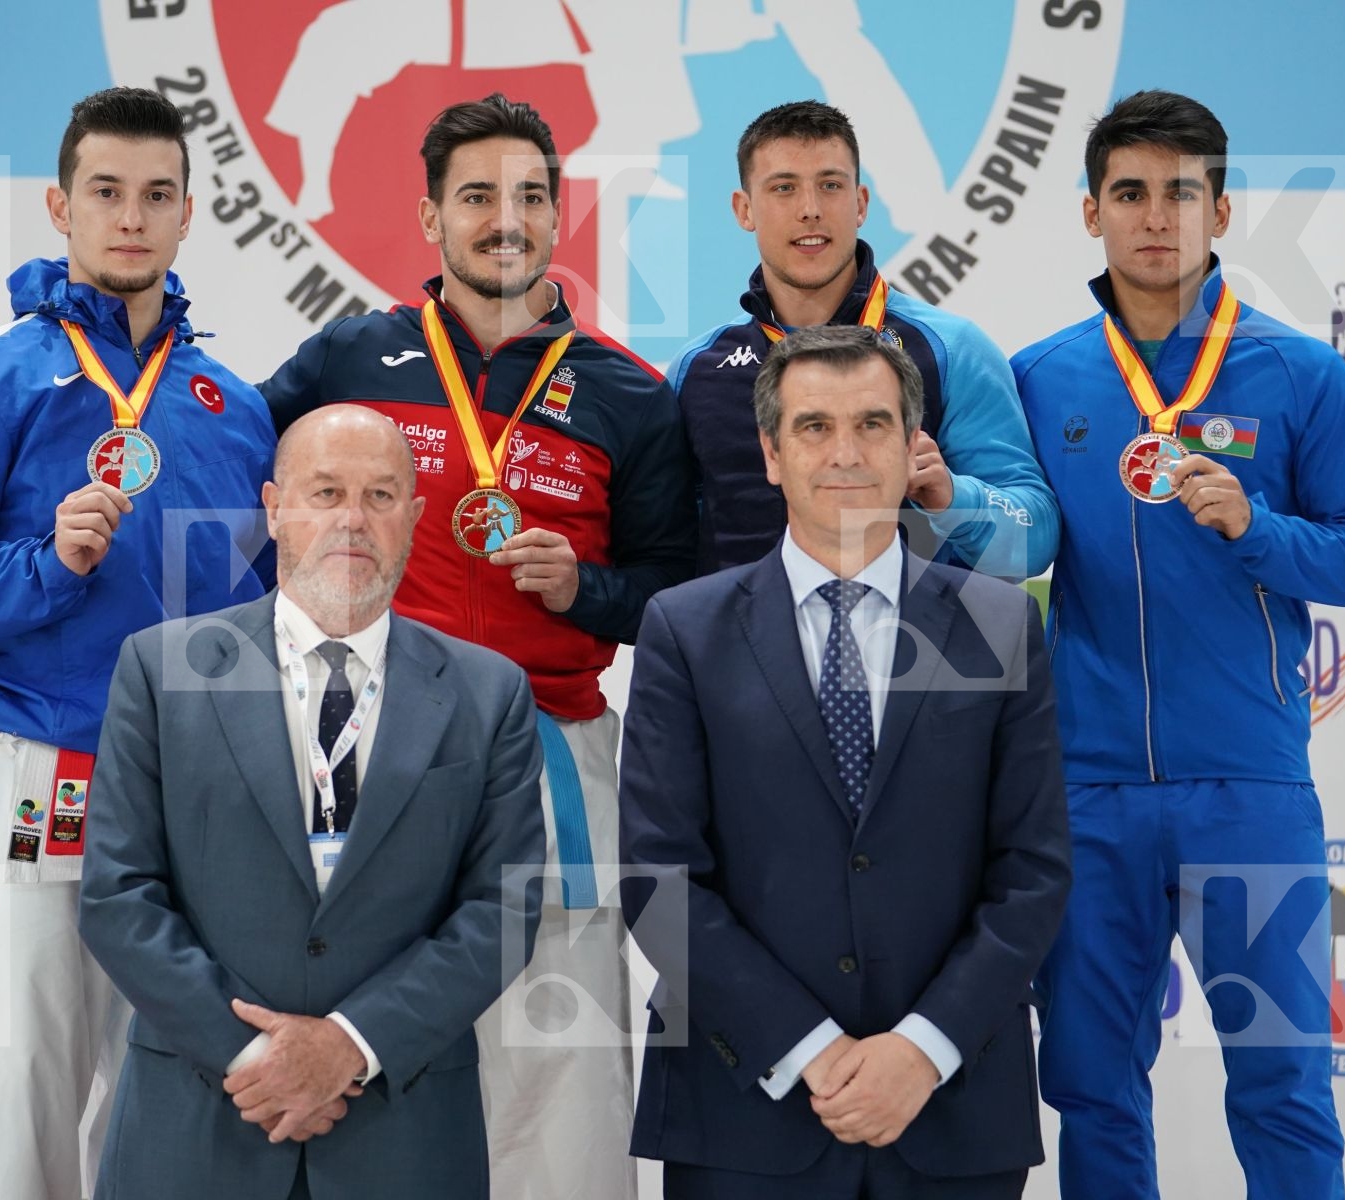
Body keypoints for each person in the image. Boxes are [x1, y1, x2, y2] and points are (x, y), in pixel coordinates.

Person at [259, 92, 696, 1200]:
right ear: (429, 217)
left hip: (553, 752)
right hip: (371, 751)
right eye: (477, 197)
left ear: (559, 214)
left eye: (530, 196)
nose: (506, 218)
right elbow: (239, 488)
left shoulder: (628, 396)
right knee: (376, 1041)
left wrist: (583, 586)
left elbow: (676, 596)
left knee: (562, 1061)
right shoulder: (349, 358)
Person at [0, 86, 275, 1199]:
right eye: (105, 193)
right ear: (60, 205)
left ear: (188, 212)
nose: (130, 216)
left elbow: (267, 609)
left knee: (177, 1110)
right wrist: (46, 564)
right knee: (14, 1099)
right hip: (37, 774)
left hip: (197, 797)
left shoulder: (233, 405)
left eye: (155, 195)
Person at [1012, 90, 1345, 1199]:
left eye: (1181, 192)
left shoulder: (1299, 373)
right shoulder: (1041, 380)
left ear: (1222, 210)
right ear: (1089, 212)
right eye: (1129, 192)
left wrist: (1255, 527)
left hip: (1251, 789)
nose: (1155, 216)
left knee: (1281, 1083)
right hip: (1086, 793)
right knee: (1091, 1084)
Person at [621, 324, 1072, 1199]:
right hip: (744, 1107)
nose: (845, 453)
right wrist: (812, 1053)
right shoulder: (683, 630)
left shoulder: (1000, 625)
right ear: (771, 454)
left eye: (872, 424)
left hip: (951, 1106)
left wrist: (921, 1050)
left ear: (914, 449)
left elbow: (1034, 872)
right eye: (814, 428)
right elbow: (658, 881)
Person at [79, 406, 546, 1199]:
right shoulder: (161, 671)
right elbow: (118, 896)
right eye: (326, 492)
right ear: (273, 507)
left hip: (401, 1135)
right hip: (198, 1126)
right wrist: (256, 1057)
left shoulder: (489, 690)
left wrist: (349, 1046)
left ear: (416, 516)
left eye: (381, 495)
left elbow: (505, 911)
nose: (354, 520)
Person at [671, 100, 1057, 582]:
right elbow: (665, 550)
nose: (810, 210)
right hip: (743, 654)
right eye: (784, 188)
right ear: (744, 209)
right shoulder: (697, 371)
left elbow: (1034, 540)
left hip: (913, 654)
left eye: (830, 185)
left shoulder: (952, 350)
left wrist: (953, 496)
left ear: (860, 204)